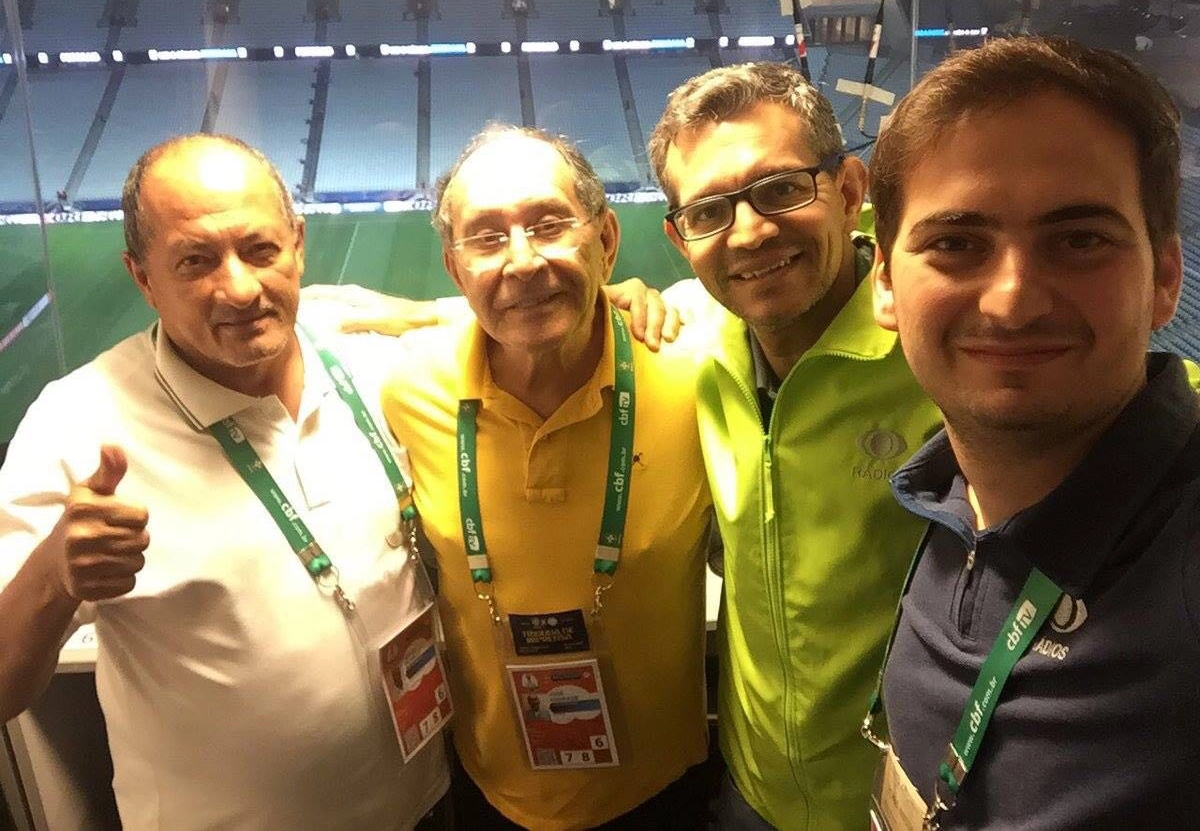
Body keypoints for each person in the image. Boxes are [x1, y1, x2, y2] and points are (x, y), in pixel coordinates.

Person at [0, 134, 451, 829]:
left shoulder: (365, 352)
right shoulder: (78, 422)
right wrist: (55, 574)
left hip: (422, 805)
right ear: (142, 277)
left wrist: (624, 297)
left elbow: (501, 312)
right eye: (195, 261)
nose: (240, 288)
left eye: (260, 249)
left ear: (297, 244)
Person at [868, 36, 1198, 826]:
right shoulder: (943, 491)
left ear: (1164, 278)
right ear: (883, 284)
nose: (1012, 301)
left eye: (1078, 240)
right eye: (956, 244)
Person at [380, 124, 714, 829]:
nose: (523, 262)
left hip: (664, 791)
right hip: (490, 791)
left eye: (550, 224)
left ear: (608, 238)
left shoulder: (696, 371)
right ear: (453, 267)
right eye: (487, 238)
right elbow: (300, 313)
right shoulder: (408, 391)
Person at [647, 62, 942, 828]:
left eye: (780, 189)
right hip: (751, 795)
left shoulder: (945, 343)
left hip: (904, 810)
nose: (749, 232)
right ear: (680, 240)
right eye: (711, 211)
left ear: (849, 189)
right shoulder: (688, 338)